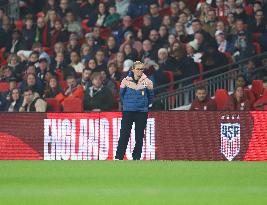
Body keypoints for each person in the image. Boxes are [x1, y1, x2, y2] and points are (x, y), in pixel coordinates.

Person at [115, 61, 154, 160]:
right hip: (128, 111)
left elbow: (151, 96)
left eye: (142, 69)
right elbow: (121, 95)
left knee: (139, 136)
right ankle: (119, 157)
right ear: (133, 69)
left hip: (142, 112)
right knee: (124, 134)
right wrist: (128, 104)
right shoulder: (125, 81)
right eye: (138, 69)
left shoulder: (148, 82)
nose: (140, 71)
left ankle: (136, 157)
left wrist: (143, 104)